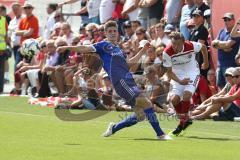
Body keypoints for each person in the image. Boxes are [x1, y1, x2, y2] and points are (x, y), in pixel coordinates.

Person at [57, 20, 171, 140]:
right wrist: (67, 47)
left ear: (117, 32)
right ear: (105, 33)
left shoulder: (118, 49)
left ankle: (114, 128)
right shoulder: (102, 45)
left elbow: (129, 65)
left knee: (140, 114)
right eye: (110, 31)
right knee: (147, 103)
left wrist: (142, 51)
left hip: (128, 81)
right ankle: (160, 134)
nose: (113, 33)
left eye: (115, 31)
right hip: (120, 81)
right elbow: (84, 48)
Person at [161, 31, 208, 136]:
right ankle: (185, 119)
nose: (175, 47)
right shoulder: (167, 52)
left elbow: (204, 47)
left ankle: (181, 124)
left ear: (183, 42)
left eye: (178, 44)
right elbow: (169, 72)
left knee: (186, 96)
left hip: (192, 72)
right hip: (177, 75)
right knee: (174, 100)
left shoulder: (190, 45)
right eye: (173, 44)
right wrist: (180, 81)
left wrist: (206, 62)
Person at [212, 13, 240, 89]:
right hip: (220, 65)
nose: (226, 21)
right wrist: (223, 46)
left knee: (230, 89)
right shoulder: (221, 31)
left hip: (230, 66)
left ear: (234, 21)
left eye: (228, 19)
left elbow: (228, 45)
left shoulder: (237, 33)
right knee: (220, 89)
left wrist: (219, 45)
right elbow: (213, 43)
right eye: (225, 20)